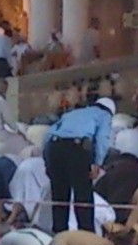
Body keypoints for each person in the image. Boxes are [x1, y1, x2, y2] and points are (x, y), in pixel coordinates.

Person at [44, 95, 114, 235]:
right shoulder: (104, 115)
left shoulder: (73, 113)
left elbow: (48, 134)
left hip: (55, 147)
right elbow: (102, 139)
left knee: (59, 195)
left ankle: (59, 234)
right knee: (83, 196)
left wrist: (47, 161)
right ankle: (86, 235)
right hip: (77, 149)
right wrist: (97, 164)